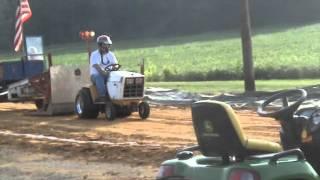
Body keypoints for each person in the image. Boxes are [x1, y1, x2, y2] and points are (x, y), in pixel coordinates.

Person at [90, 35, 118, 100]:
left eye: (108, 45)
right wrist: (104, 72)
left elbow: (115, 65)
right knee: (99, 76)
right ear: (100, 45)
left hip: (109, 74)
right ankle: (103, 96)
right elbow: (97, 67)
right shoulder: (94, 55)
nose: (107, 47)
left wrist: (114, 70)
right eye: (105, 45)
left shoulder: (111, 54)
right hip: (96, 76)